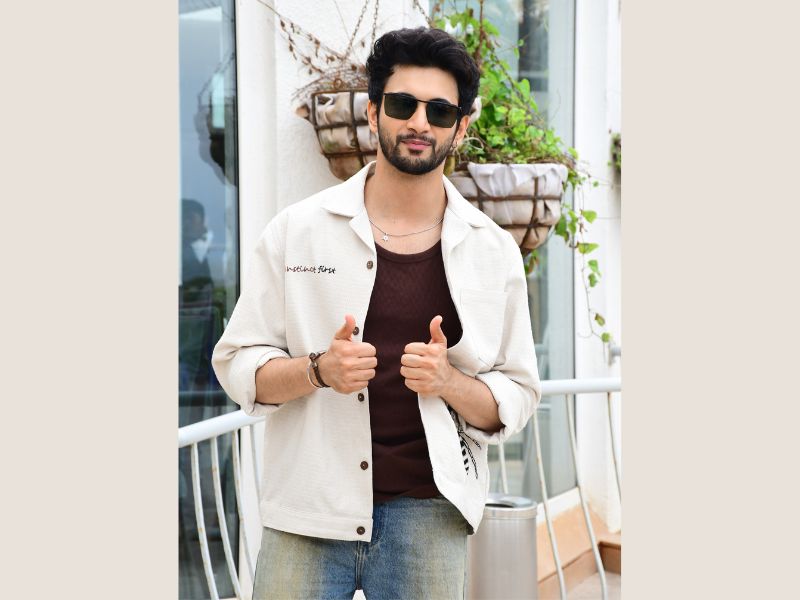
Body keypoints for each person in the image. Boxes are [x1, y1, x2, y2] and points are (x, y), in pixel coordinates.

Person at [212, 26, 541, 599]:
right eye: (402, 104)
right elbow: (238, 364)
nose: (420, 123)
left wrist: (449, 382)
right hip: (309, 511)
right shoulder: (297, 231)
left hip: (430, 514)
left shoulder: (492, 251)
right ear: (372, 112)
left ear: (461, 127)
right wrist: (318, 370)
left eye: (440, 111)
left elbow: (516, 395)